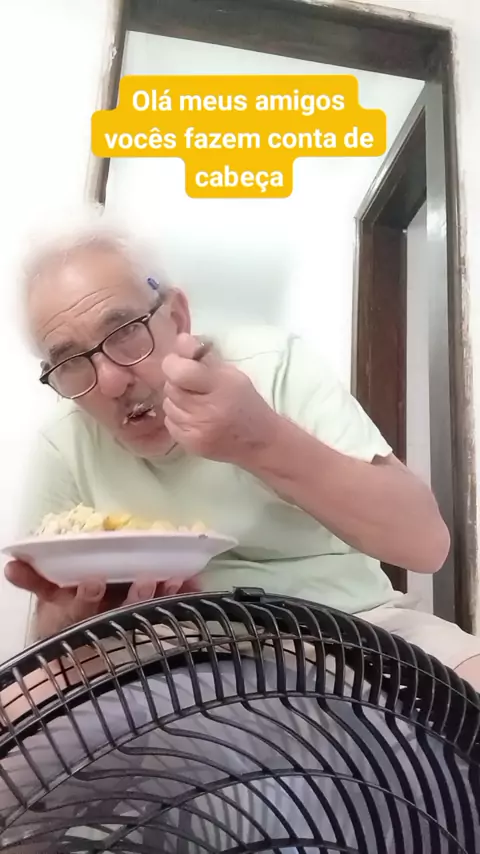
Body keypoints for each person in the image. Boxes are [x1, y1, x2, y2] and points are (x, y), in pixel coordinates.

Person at [5, 208, 480, 690]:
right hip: (163, 653)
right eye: (70, 361)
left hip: (356, 625)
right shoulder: (63, 444)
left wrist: (261, 439)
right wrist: (73, 617)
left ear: (177, 316)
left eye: (125, 331)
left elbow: (426, 546)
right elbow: (50, 637)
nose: (109, 382)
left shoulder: (271, 366)